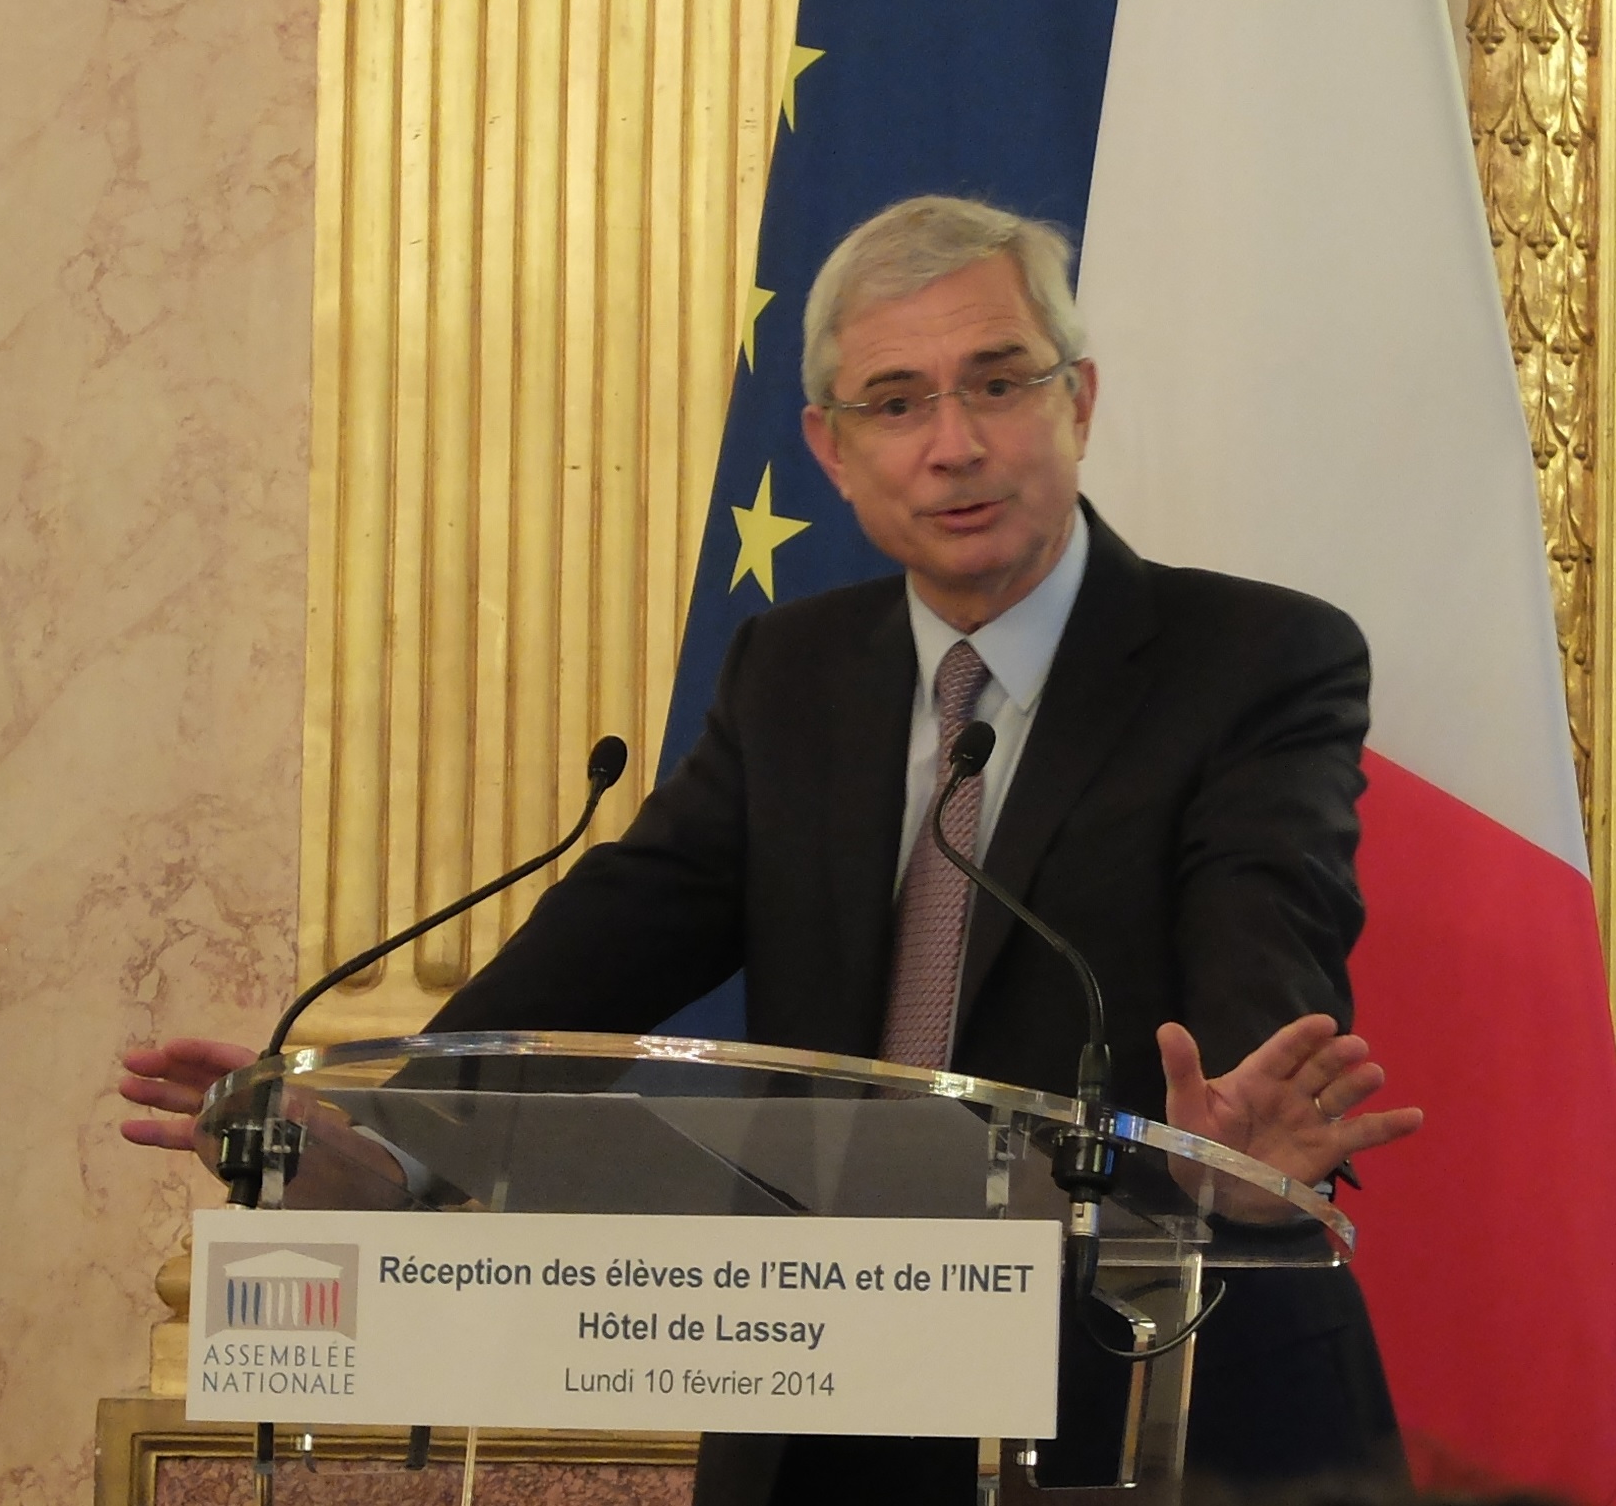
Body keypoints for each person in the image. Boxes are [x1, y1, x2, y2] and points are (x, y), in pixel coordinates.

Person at [124, 196, 1421, 1499]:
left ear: (1077, 397)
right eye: (897, 402)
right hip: (835, 1412)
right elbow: (600, 954)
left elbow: (1265, 927)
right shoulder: (793, 674)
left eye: (996, 383)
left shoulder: (1252, 660)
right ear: (830, 448)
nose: (954, 445)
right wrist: (370, 1130)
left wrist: (1239, 1160)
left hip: (1157, 1392)